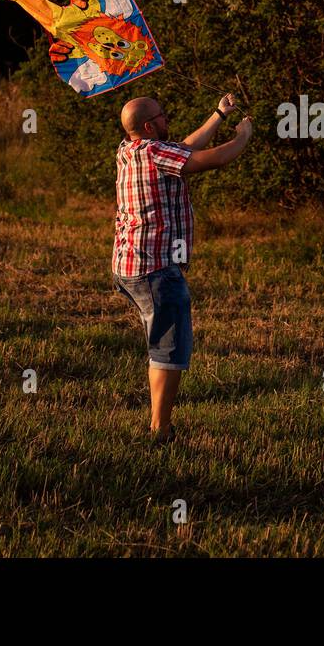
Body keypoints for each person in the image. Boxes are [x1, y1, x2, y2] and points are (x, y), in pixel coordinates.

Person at [112, 93, 253, 444]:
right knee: (168, 348)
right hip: (155, 267)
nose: (166, 119)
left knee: (161, 339)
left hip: (128, 263)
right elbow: (211, 159)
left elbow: (186, 147)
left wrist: (219, 114)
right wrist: (242, 137)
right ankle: (160, 429)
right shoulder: (156, 153)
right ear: (148, 126)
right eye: (162, 116)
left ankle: (160, 423)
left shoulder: (128, 150)